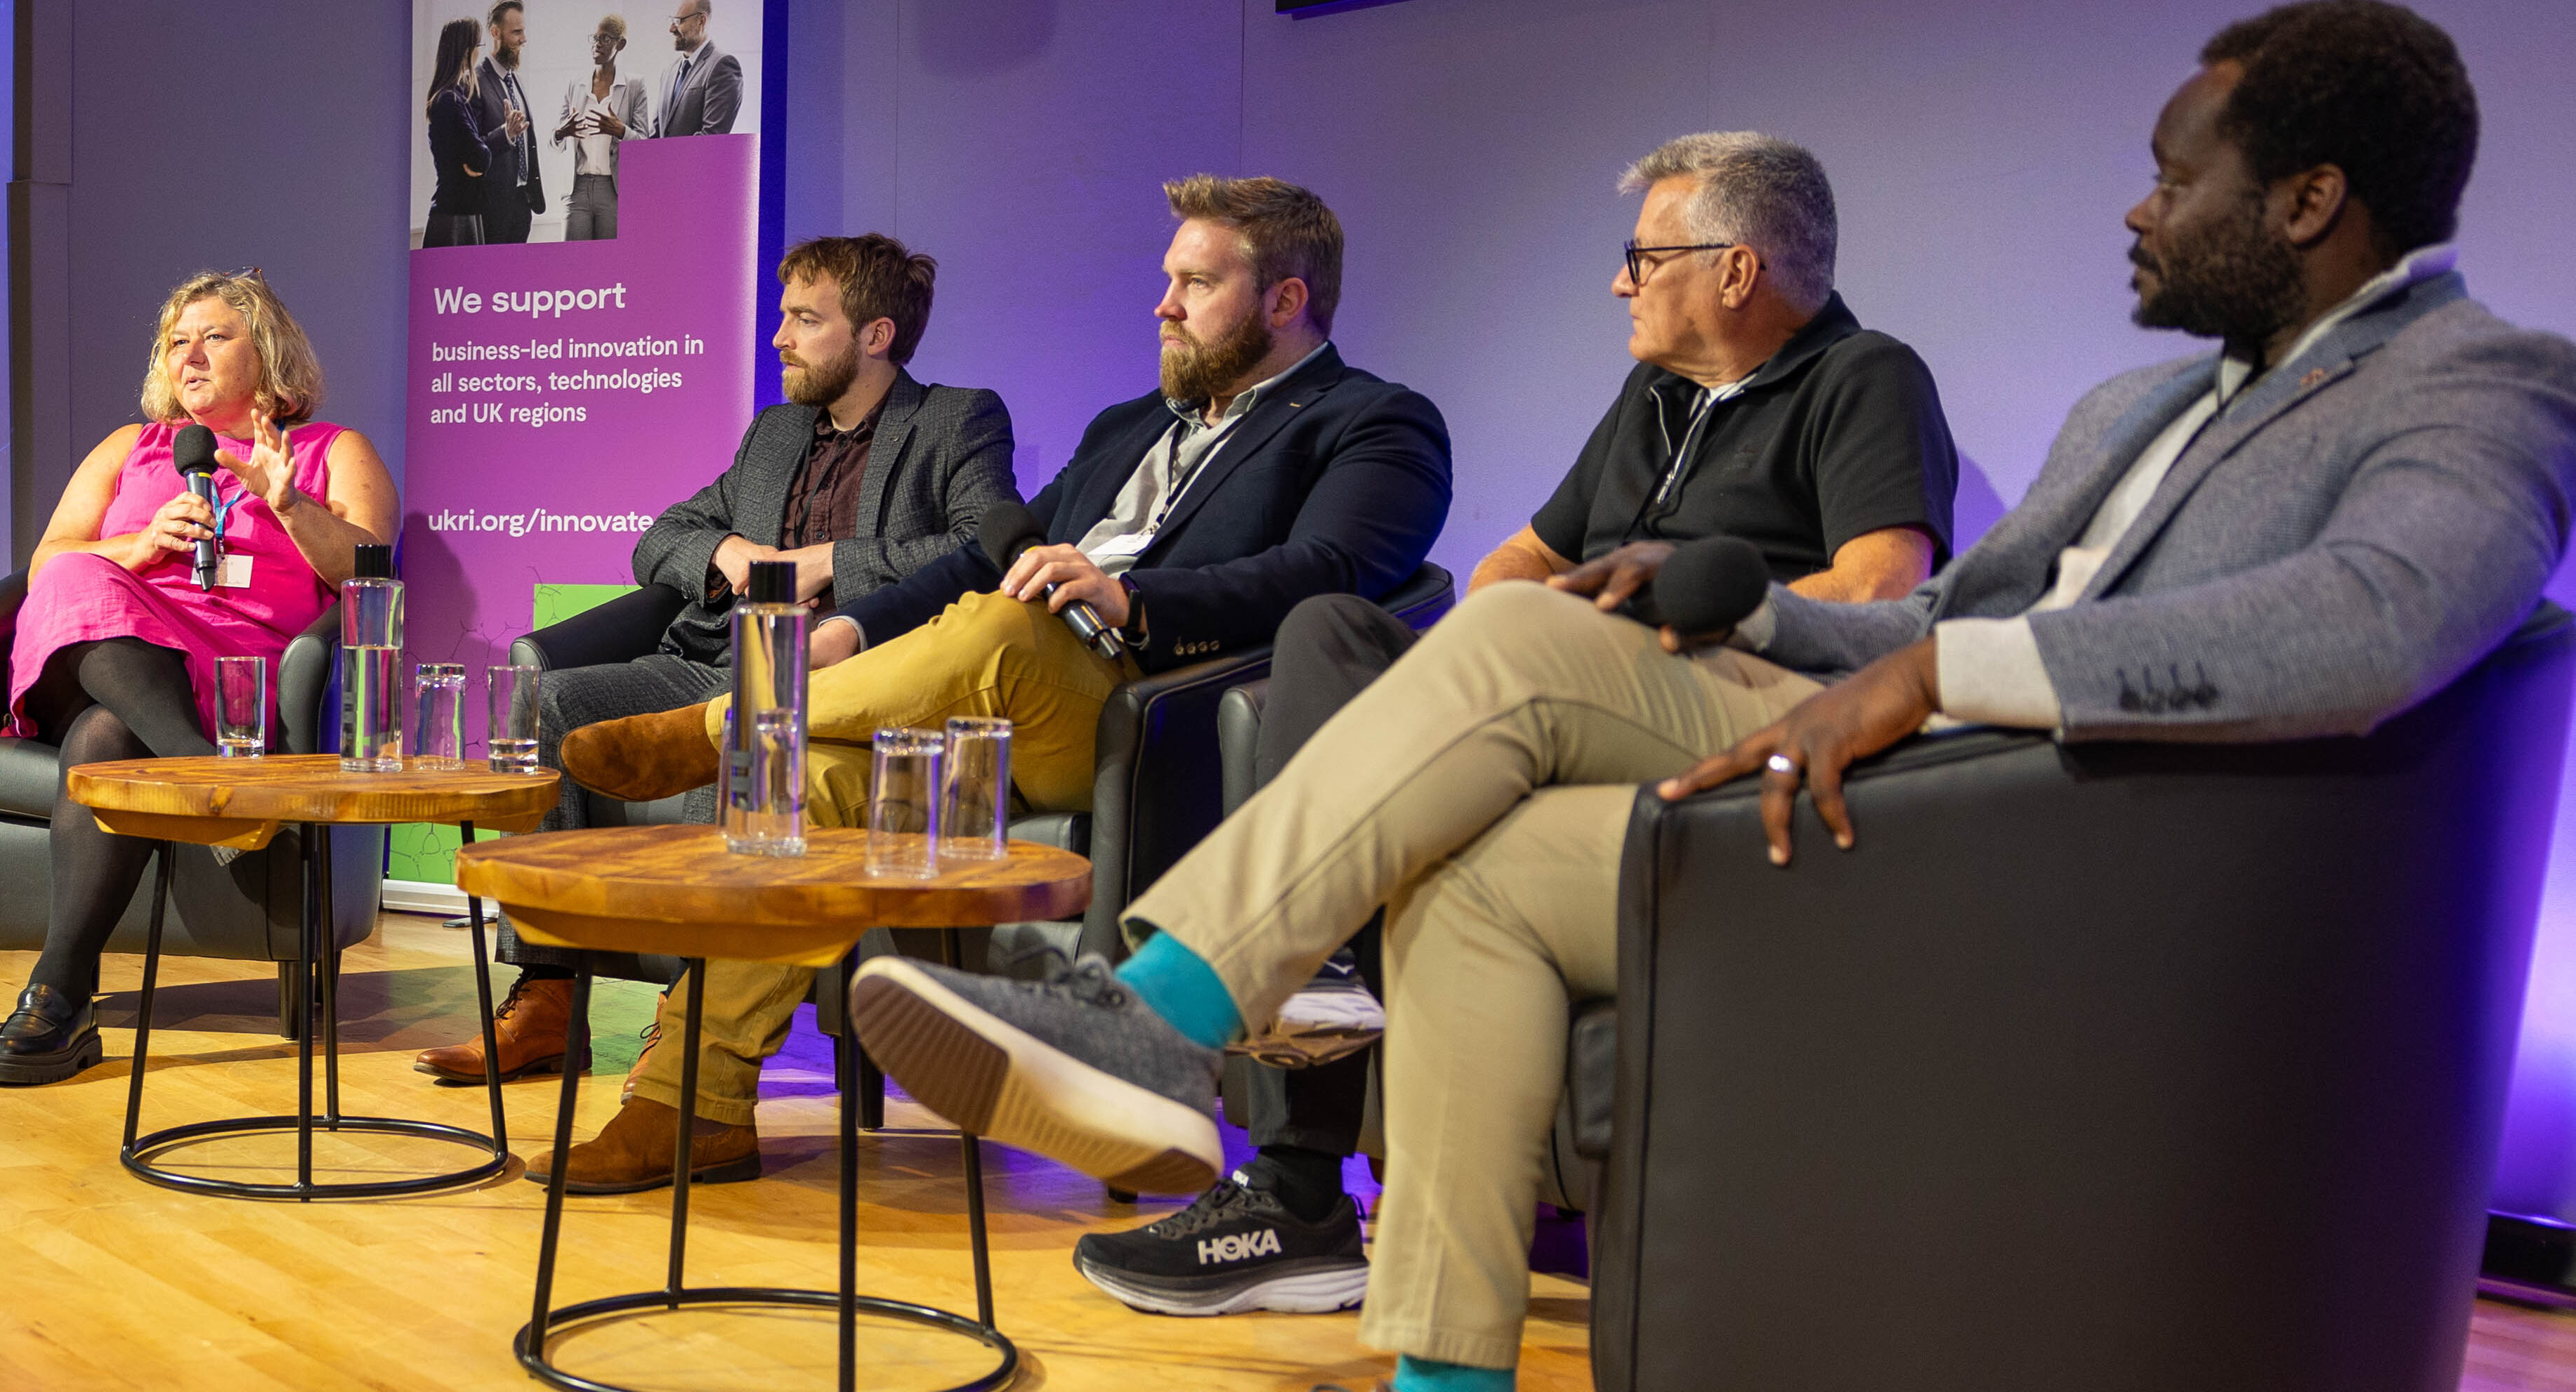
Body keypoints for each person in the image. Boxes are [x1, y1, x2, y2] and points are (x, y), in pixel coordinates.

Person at [846, 0, 2576, 1392]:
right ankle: (1437, 1365)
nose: (2135, 208)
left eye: (2170, 177)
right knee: (1469, 883)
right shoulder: (2131, 414)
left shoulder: (2481, 385)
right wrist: (1733, 596)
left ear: (2304, 200)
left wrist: (1922, 671)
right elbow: (1950, 608)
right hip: (1914, 790)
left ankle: (1163, 1004)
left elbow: (2371, 619)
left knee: (1511, 652)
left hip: (2070, 859)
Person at [1075, 132, 1960, 1319]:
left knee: (1482, 672)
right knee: (1330, 632)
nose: (1618, 282)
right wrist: (1502, 635)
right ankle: (1307, 1074)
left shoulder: (1863, 377)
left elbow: (1885, 591)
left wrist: (1677, 606)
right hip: (1558, 694)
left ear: (1737, 271)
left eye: (1641, 257)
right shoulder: (1652, 397)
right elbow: (1525, 554)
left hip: (1726, 708)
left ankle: (1206, 1056)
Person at [548, 174, 1455, 1192]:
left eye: (1195, 284)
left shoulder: (1375, 421)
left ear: (1286, 301)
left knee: (1000, 626)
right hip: (993, 706)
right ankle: (691, 1104)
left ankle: (718, 723)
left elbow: (1332, 572)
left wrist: (1135, 597)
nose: (1164, 303)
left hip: (1144, 709)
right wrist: (855, 623)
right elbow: (982, 555)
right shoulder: (1130, 424)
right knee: (797, 786)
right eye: (1168, 279)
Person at [408, 234, 1019, 1097]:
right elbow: (658, 536)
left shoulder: (954, 419)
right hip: (709, 658)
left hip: (834, 684)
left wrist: (829, 565)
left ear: (875, 335)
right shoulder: (775, 433)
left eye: (806, 319)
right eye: (782, 315)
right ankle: (546, 993)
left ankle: (687, 1017)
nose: (779, 336)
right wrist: (728, 550)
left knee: (725, 737)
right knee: (550, 699)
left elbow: (980, 546)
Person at [0, 270, 395, 1084]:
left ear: (266, 348)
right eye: (177, 341)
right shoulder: (128, 448)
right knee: (74, 581)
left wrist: (289, 508)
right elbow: (47, 566)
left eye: (213, 335)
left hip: (232, 673)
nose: (190, 354)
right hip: (112, 645)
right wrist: (134, 547)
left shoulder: (330, 450)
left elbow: (370, 577)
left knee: (105, 738)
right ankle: (214, 782)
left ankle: (59, 996)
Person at [551, 14, 650, 242]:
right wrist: (560, 133)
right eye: (595, 38)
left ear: (620, 44)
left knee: (608, 266)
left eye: (605, 38)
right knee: (573, 265)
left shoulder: (634, 86)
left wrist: (620, 130)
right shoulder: (576, 84)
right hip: (577, 189)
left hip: (614, 190)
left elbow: (645, 144)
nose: (597, 43)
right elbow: (554, 141)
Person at [471, 0, 547, 244]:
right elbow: (471, 150)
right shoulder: (475, 82)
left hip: (522, 203)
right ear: (495, 32)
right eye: (516, 33)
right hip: (492, 208)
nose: (523, 39)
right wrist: (505, 134)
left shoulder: (516, 80)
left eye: (523, 31)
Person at [421, 17, 490, 247]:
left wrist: (476, 155)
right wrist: (477, 156)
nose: (479, 53)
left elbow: (477, 155)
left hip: (460, 213)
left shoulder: (454, 96)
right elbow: (480, 156)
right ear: (466, 51)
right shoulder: (449, 100)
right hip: (454, 219)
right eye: (478, 46)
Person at [650, 0, 743, 136]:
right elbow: (656, 135)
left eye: (679, 22)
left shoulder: (723, 66)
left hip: (696, 160)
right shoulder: (669, 72)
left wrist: (669, 157)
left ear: (702, 21)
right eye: (672, 21)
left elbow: (711, 137)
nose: (672, 29)